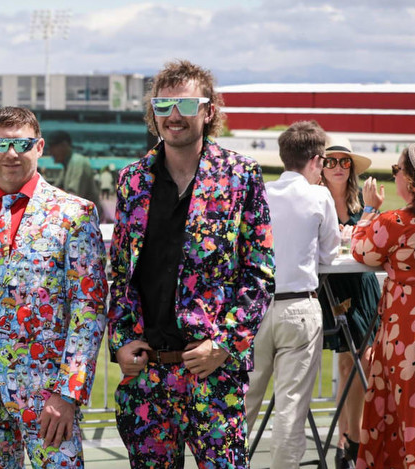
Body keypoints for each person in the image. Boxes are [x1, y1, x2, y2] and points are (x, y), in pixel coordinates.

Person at [107, 59, 275, 467]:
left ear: (209, 110)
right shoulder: (133, 179)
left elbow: (260, 272)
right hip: (148, 375)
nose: (174, 116)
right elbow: (120, 272)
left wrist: (226, 344)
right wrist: (121, 339)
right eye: (163, 106)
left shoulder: (241, 175)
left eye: (185, 104)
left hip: (212, 371)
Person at [0, 106, 107, 468]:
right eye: (1, 143)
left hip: (49, 397)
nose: (11, 153)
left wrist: (69, 392)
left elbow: (89, 309)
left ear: (40, 147)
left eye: (22, 143)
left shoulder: (75, 214)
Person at [246, 120, 341, 469]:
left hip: (255, 308)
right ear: (316, 160)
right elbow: (330, 255)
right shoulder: (319, 196)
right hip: (299, 306)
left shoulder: (261, 192)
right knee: (291, 405)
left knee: (243, 402)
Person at [352, 144, 415, 468]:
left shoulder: (396, 222)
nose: (395, 176)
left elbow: (361, 249)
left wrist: (369, 209)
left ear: (409, 179)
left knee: (403, 414)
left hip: (406, 329)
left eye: (397, 170)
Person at [317, 134, 381, 468]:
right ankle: (347, 440)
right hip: (330, 288)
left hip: (362, 287)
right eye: (331, 161)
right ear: (321, 166)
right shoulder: (315, 202)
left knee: (364, 361)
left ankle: (352, 440)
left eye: (345, 161)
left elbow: (369, 245)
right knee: (347, 363)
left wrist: (371, 212)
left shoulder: (363, 206)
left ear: (351, 168)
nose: (339, 167)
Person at [48, 130, 102, 219]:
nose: (50, 152)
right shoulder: (67, 164)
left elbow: (73, 198)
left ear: (64, 145)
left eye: (52, 147)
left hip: (88, 220)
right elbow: (54, 190)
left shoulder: (77, 162)